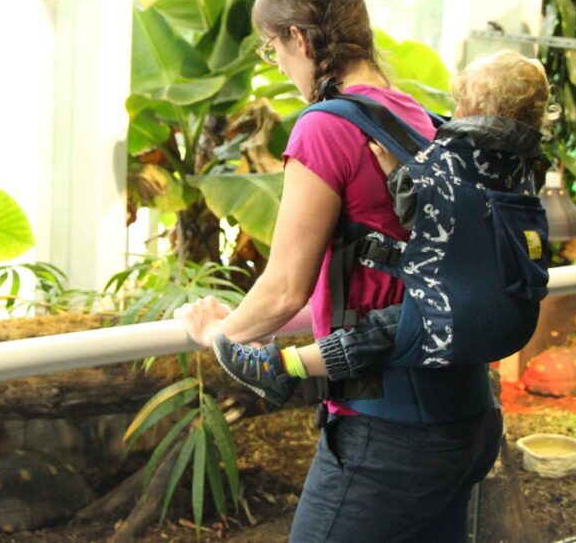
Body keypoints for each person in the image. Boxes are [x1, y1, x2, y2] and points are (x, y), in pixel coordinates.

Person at [178, 0, 504, 542]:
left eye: (273, 48)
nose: (276, 65)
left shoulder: (326, 126)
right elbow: (377, 276)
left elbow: (281, 290)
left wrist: (219, 333)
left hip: (390, 435)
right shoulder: (417, 118)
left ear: (300, 38)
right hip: (466, 416)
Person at [208, 49, 556, 406]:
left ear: (465, 109)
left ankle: (284, 368)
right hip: (511, 310)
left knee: (379, 334)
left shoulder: (457, 155)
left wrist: (399, 173)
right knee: (387, 331)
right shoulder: (526, 167)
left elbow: (427, 215)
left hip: (453, 311)